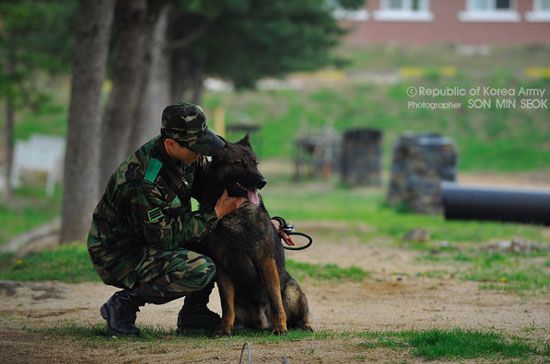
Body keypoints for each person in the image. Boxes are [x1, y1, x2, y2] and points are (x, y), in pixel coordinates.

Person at [88, 102, 293, 336]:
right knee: (200, 267)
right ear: (171, 144)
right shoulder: (143, 181)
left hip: (156, 237)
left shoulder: (186, 156)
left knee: (212, 240)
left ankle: (193, 314)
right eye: (196, 148)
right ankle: (123, 305)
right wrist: (214, 214)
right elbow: (162, 238)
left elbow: (219, 189)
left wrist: (266, 226)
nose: (201, 154)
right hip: (120, 254)